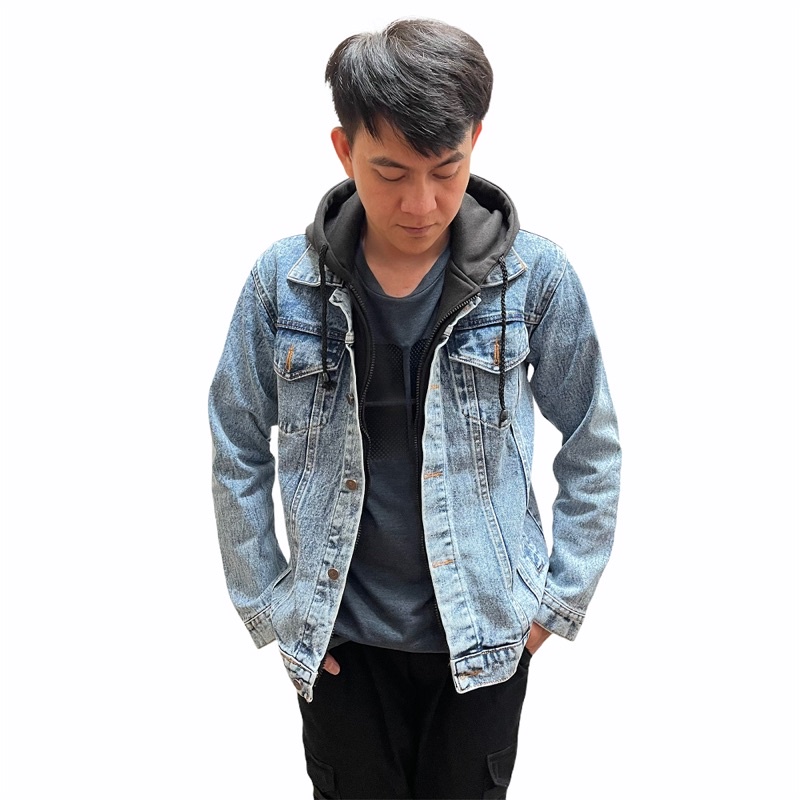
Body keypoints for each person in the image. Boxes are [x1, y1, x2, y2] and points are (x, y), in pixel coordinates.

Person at [209, 17, 621, 800]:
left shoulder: (536, 278)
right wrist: (271, 602)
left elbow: (592, 442)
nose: (421, 202)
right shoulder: (281, 284)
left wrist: (555, 603)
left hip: (486, 640)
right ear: (344, 150)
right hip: (342, 641)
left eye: (446, 168)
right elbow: (236, 440)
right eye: (390, 171)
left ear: (475, 142)